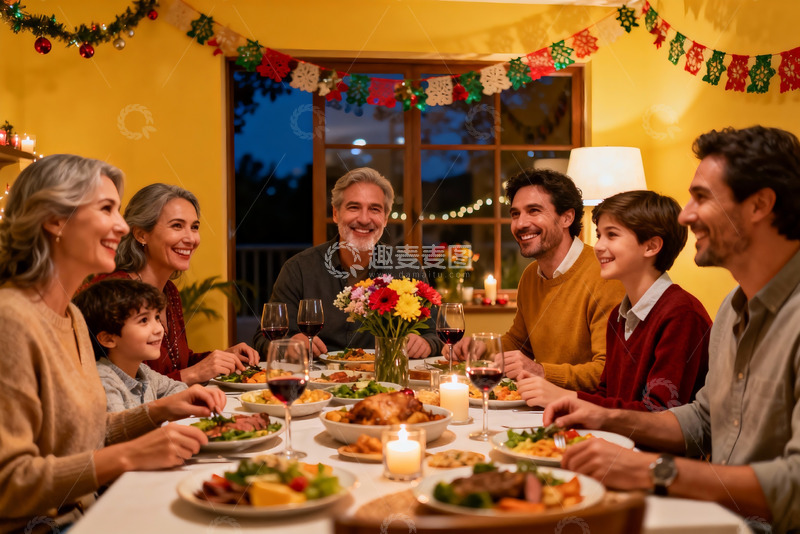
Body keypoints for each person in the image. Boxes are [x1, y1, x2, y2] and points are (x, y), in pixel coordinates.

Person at [544, 126, 800, 532]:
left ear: (759, 205)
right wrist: (600, 416)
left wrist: (654, 472)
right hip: (713, 517)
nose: (685, 215)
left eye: (701, 197)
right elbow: (703, 420)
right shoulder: (732, 312)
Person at [0, 154, 225, 532]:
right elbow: (8, 484)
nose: (122, 227)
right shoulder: (12, 320)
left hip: (93, 510)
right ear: (56, 220)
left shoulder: (70, 315)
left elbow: (85, 434)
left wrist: (159, 411)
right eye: (107, 209)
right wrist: (127, 456)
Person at [517, 190, 711, 410]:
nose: (598, 246)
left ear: (651, 246)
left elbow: (659, 413)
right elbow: (605, 395)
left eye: (612, 235)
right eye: (599, 235)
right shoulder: (619, 316)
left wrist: (564, 397)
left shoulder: (682, 315)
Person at [453, 169, 625, 393]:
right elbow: (519, 342)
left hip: (586, 415)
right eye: (515, 214)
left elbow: (607, 372)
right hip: (539, 405)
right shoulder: (531, 275)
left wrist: (541, 372)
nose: (520, 223)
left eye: (534, 211)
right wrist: (481, 348)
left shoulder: (605, 275)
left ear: (567, 217)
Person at [252, 167, 443, 359]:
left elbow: (438, 334)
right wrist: (287, 345)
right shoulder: (298, 269)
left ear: (385, 219)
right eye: (354, 207)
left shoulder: (408, 268)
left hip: (388, 385)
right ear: (336, 214)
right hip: (316, 385)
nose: (364, 219)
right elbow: (263, 337)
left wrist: (427, 342)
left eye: (374, 209)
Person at [88, 184, 259, 385]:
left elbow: (176, 365)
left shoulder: (170, 291)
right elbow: (119, 387)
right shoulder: (114, 292)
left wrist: (222, 358)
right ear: (141, 234)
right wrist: (195, 374)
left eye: (194, 227)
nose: (191, 239)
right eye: (177, 226)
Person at [73, 278, 191, 412]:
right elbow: (120, 430)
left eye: (157, 317)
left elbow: (178, 389)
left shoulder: (143, 371)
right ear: (108, 339)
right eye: (144, 320)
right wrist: (161, 410)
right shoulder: (103, 381)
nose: (159, 329)